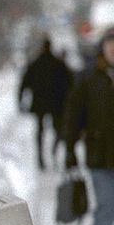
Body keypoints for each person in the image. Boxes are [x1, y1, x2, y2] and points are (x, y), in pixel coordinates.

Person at [63, 26, 114, 225]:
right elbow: (74, 114)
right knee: (106, 204)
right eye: (110, 43)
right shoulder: (89, 77)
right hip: (100, 155)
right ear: (103, 47)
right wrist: (69, 148)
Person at [19, 37, 73, 170]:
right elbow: (70, 83)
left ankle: (41, 158)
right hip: (56, 103)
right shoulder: (58, 64)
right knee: (58, 130)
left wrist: (21, 101)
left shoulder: (35, 63)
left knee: (40, 131)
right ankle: (53, 152)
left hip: (40, 103)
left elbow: (24, 83)